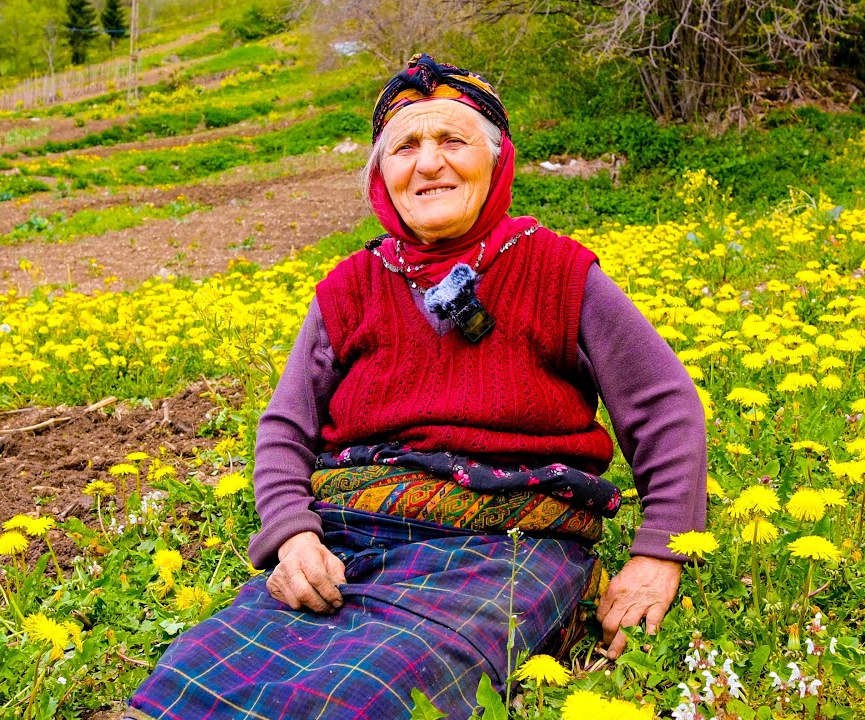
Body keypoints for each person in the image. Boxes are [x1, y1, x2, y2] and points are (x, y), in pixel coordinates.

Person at [125, 55, 706, 719]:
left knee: (365, 693)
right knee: (191, 684)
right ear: (383, 177)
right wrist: (292, 537)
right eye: (406, 146)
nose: (429, 163)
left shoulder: (560, 271)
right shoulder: (350, 287)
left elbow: (665, 407)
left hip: (506, 542)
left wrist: (659, 552)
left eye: (453, 140)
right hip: (349, 535)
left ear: (496, 161)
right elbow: (287, 427)